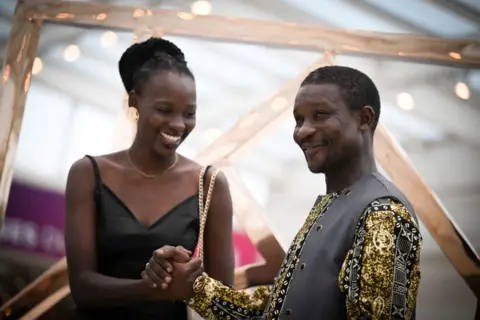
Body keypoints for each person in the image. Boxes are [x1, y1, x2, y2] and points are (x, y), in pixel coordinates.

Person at [143, 66, 423, 320]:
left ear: (364, 118)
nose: (303, 131)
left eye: (320, 115)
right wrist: (192, 284)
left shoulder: (383, 213)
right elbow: (276, 311)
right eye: (299, 119)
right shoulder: (335, 206)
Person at [64, 37, 234, 320]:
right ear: (134, 102)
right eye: (164, 110)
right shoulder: (87, 174)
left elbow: (223, 298)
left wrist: (190, 279)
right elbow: (82, 287)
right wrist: (154, 288)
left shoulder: (210, 184)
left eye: (189, 113)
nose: (179, 124)